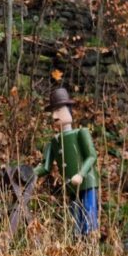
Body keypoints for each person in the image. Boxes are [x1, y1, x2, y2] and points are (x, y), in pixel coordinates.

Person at [33, 87, 99, 235]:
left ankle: (90, 242)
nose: (55, 115)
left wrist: (81, 174)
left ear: (69, 110)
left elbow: (92, 156)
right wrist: (29, 173)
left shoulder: (81, 133)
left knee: (89, 218)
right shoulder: (53, 142)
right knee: (75, 221)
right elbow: (45, 167)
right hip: (71, 187)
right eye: (53, 111)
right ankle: (77, 243)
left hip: (87, 183)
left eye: (59, 110)